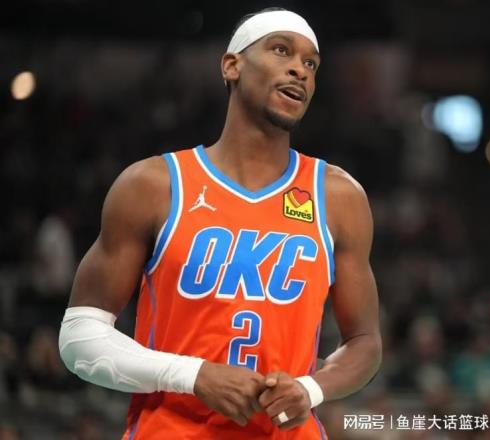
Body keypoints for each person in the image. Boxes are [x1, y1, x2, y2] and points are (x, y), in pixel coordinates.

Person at [59, 7, 382, 439]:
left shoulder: (339, 197)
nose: (299, 70)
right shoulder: (152, 185)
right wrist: (193, 375)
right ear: (232, 65)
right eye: (281, 50)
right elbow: (79, 337)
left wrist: (311, 388)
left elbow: (364, 342)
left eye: (311, 63)